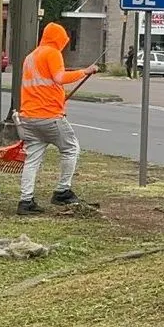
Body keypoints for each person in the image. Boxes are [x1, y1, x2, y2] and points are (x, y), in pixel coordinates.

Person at [14, 22, 99, 214]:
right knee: (71, 148)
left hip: (28, 116)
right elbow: (60, 78)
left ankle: (25, 201)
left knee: (32, 159)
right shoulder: (52, 53)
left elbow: (44, 83)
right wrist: (85, 71)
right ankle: (62, 191)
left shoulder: (30, 57)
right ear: (59, 39)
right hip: (49, 116)